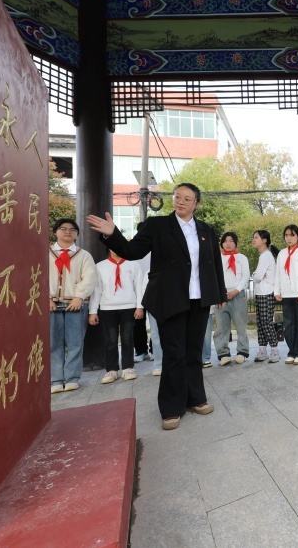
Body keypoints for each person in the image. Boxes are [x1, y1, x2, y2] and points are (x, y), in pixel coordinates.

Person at [86, 183, 225, 431]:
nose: (181, 201)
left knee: (194, 351)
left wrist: (220, 292)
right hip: (169, 298)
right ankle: (171, 408)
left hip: (199, 299)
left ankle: (196, 398)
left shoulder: (206, 230)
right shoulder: (158, 225)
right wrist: (112, 234)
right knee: (173, 352)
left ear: (197, 204)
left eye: (187, 198)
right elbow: (132, 251)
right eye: (177, 197)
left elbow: (214, 263)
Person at [48, 218, 96, 394]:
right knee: (53, 343)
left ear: (77, 234)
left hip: (75, 304)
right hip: (52, 304)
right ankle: (55, 379)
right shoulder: (46, 253)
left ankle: (72, 378)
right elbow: (38, 275)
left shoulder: (83, 255)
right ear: (55, 232)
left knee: (75, 342)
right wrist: (47, 297)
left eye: (72, 230)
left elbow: (90, 278)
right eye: (63, 229)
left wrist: (79, 297)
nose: (68, 232)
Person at [89, 248, 146, 383]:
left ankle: (128, 368)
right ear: (108, 248)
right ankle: (112, 370)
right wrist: (93, 311)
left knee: (127, 338)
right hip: (107, 307)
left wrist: (140, 306)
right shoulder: (100, 266)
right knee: (110, 340)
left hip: (129, 306)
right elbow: (96, 289)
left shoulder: (133, 265)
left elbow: (139, 286)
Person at [274, 224, 298, 365]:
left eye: (292, 235)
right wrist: (277, 291)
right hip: (286, 294)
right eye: (286, 235)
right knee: (288, 325)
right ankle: (292, 352)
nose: (289, 238)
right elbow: (278, 273)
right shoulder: (282, 253)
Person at [214, 232, 250, 366]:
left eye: (231, 241)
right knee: (221, 327)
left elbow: (245, 275)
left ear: (235, 243)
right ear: (222, 243)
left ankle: (242, 352)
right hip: (221, 297)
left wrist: (236, 290)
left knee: (241, 325)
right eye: (225, 241)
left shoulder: (242, 258)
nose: (228, 244)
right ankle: (223, 354)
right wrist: (221, 292)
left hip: (237, 295)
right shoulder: (217, 257)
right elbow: (214, 275)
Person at [134, 221, 162, 376]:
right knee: (150, 330)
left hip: (168, 297)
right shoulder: (135, 248)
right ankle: (147, 354)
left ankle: (162, 358)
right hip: (145, 294)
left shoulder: (161, 246)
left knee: (169, 335)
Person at [251, 230, 280, 363]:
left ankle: (274, 350)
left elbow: (257, 277)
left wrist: (255, 275)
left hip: (266, 293)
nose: (253, 240)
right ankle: (262, 349)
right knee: (261, 323)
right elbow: (257, 276)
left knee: (266, 322)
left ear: (264, 240)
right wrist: (256, 275)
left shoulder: (266, 256)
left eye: (256, 237)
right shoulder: (263, 255)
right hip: (260, 292)